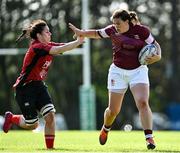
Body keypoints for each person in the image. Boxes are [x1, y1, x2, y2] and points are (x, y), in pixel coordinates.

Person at [69, 9, 161, 150]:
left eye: (118, 23)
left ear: (127, 21)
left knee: (143, 102)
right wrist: (81, 32)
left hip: (138, 71)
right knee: (113, 111)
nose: (115, 26)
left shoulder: (142, 31)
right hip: (117, 72)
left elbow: (156, 46)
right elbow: (96, 33)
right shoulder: (112, 30)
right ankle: (106, 128)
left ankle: (149, 138)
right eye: (114, 23)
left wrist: (157, 56)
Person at [2, 19, 84, 149]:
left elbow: (62, 46)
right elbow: (59, 49)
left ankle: (50, 149)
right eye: (47, 32)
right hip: (25, 89)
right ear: (39, 35)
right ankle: (12, 118)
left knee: (50, 116)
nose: (50, 33)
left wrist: (78, 41)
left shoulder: (47, 45)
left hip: (39, 86)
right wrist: (78, 41)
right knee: (32, 125)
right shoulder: (37, 47)